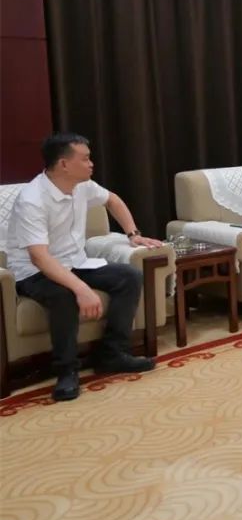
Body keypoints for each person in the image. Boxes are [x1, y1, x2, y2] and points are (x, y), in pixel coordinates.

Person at [7, 133, 162, 402]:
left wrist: (132, 234)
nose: (91, 164)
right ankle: (66, 370)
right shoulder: (32, 200)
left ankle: (112, 353)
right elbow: (40, 258)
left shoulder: (83, 186)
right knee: (64, 295)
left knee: (129, 276)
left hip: (75, 262)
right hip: (34, 272)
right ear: (64, 164)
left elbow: (112, 199)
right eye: (86, 159)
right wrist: (81, 288)